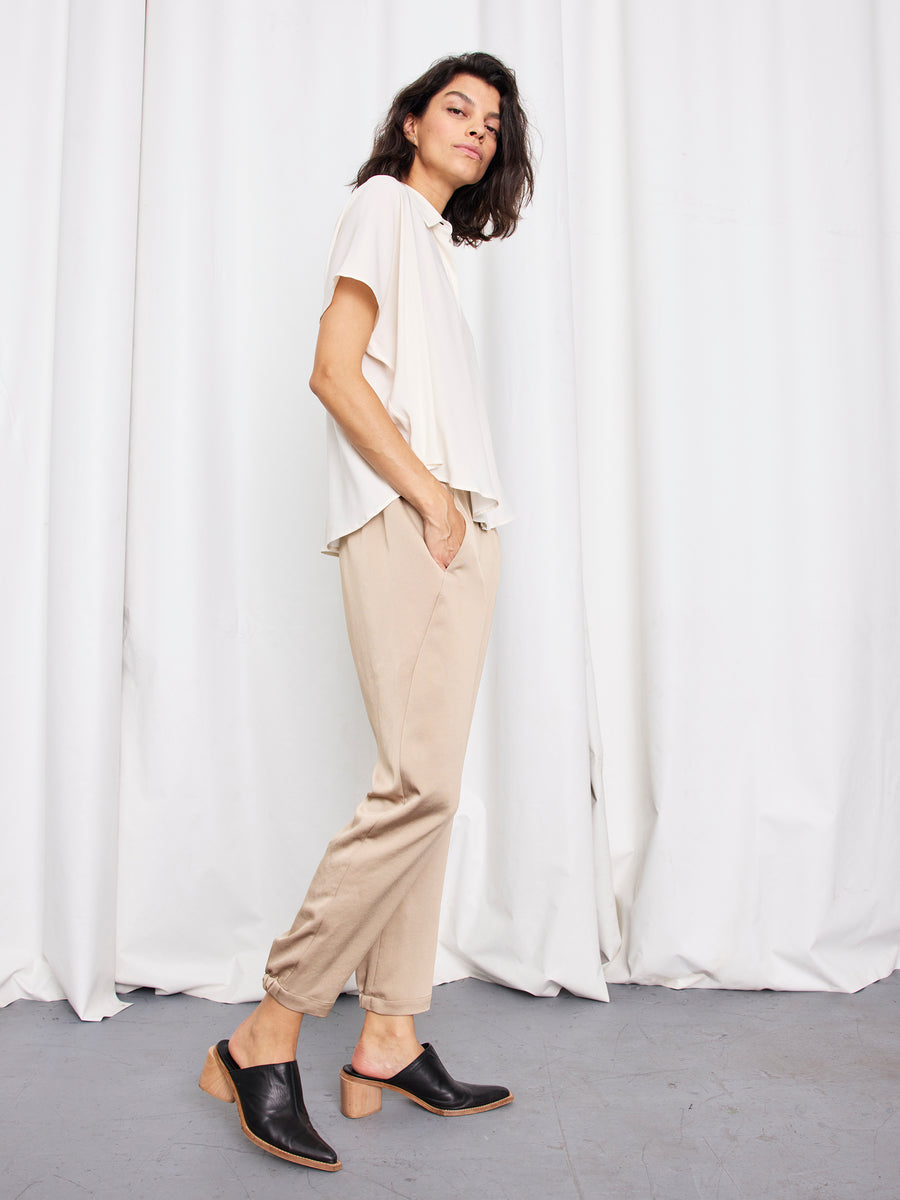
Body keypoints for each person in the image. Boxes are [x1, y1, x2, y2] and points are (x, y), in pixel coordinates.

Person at [198, 51, 535, 1172]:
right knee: (418, 787)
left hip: (454, 528)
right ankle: (270, 1027)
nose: (479, 130)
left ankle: (389, 1032)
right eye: (458, 108)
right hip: (413, 523)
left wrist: (460, 515)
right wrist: (432, 499)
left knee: (426, 795)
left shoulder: (431, 244)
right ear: (408, 121)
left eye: (494, 122)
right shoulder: (384, 206)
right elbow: (334, 371)